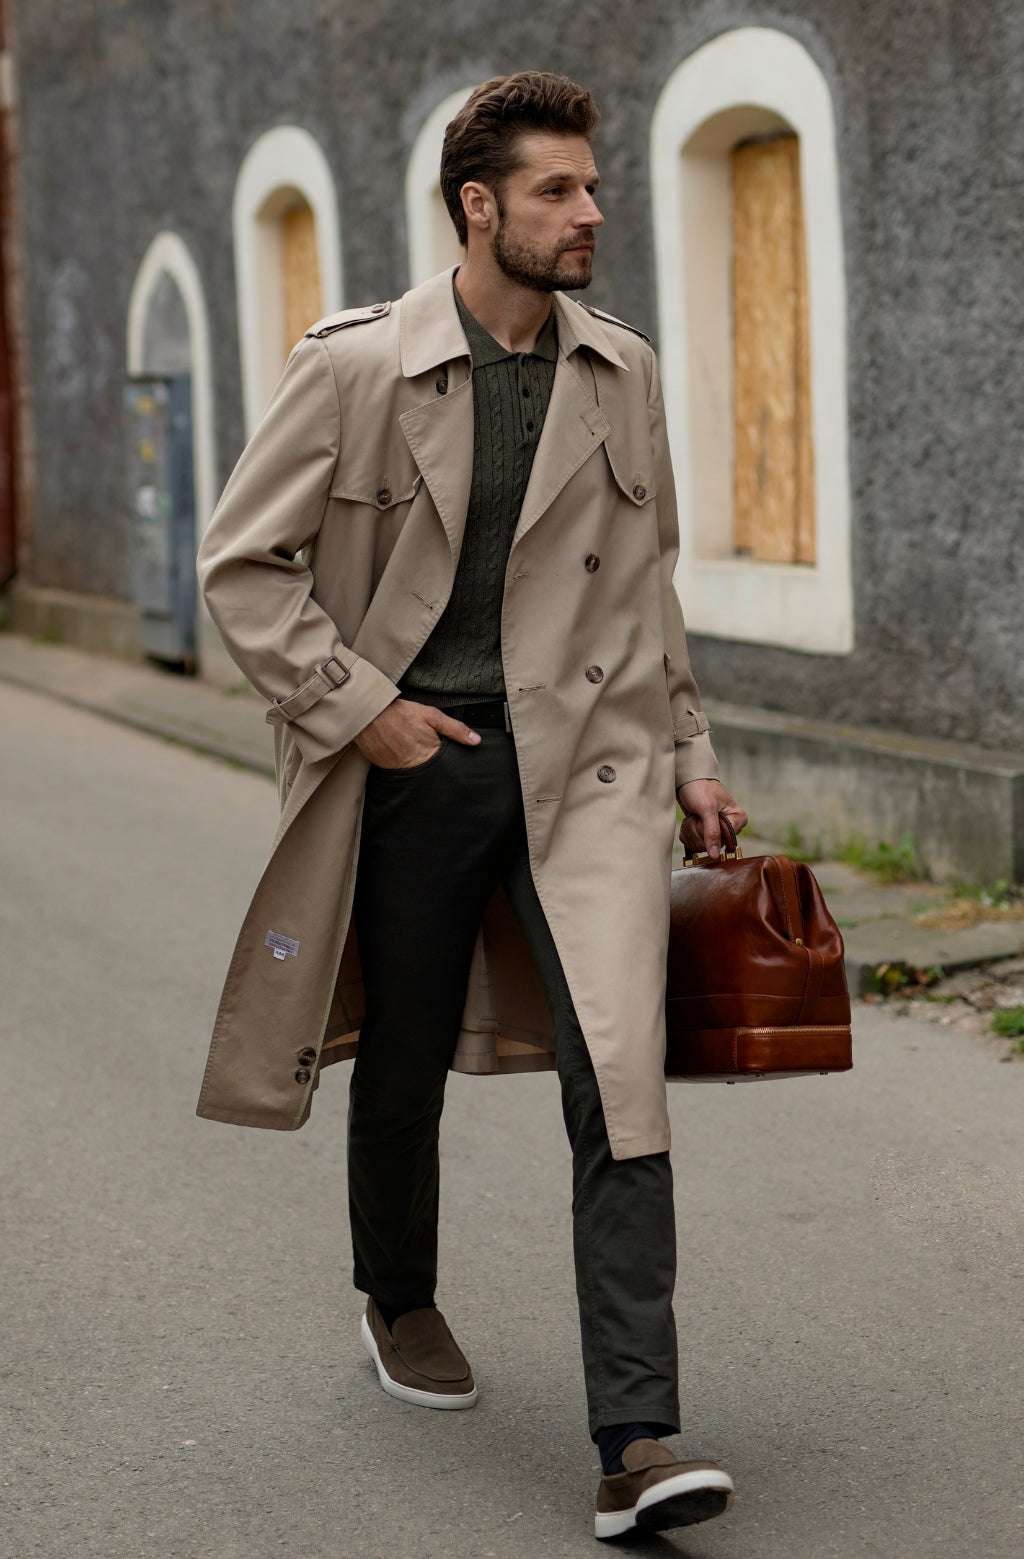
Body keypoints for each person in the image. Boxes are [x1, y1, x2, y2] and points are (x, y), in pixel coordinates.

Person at [196, 71, 747, 1541]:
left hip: (595, 766)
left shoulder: (620, 370)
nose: (590, 212)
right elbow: (242, 566)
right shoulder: (359, 369)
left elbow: (647, 589)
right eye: (559, 190)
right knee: (406, 1051)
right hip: (422, 760)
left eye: (593, 185)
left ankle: (637, 1441)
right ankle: (399, 1295)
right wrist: (363, 710)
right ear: (478, 205)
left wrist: (693, 753)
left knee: (619, 1080)